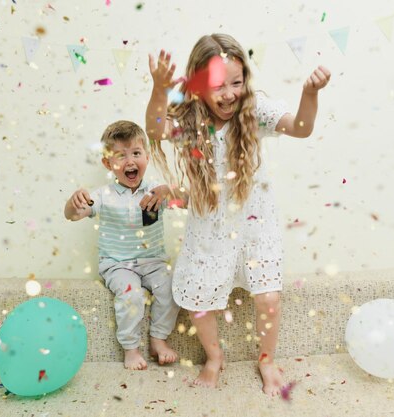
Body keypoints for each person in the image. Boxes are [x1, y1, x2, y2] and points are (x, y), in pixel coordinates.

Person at [145, 34, 330, 397]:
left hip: (255, 220)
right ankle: (214, 358)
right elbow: (154, 129)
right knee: (200, 300)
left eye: (236, 81)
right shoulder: (187, 115)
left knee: (268, 298)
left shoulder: (254, 109)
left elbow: (302, 128)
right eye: (217, 85)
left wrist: (310, 94)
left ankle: (266, 359)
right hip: (209, 223)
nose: (230, 93)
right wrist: (158, 88)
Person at [64, 120, 181, 370]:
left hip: (153, 262)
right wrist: (73, 203)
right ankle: (131, 348)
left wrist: (169, 191)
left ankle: (158, 339)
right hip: (117, 265)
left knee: (171, 287)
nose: (130, 161)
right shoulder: (103, 196)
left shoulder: (155, 192)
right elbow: (73, 216)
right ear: (108, 164)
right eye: (121, 155)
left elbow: (186, 200)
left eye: (136, 153)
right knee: (131, 294)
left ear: (147, 158)